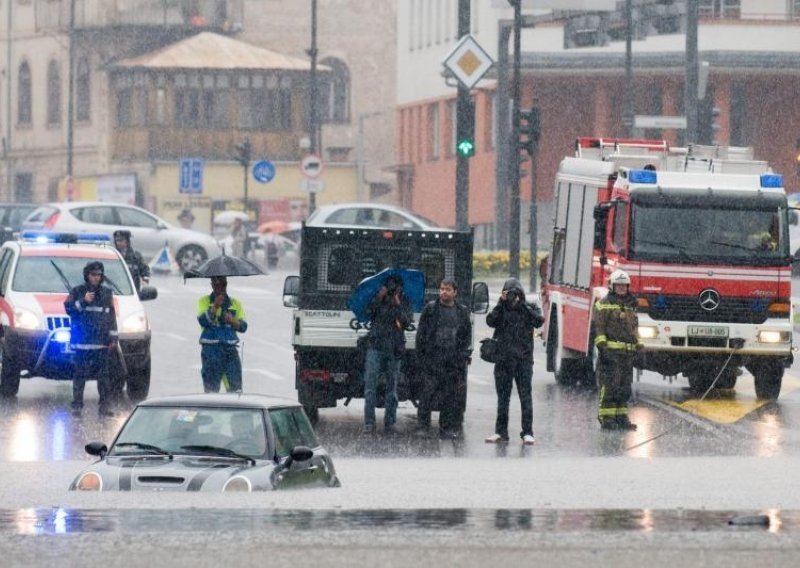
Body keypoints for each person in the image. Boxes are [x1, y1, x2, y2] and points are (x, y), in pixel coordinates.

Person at [485, 278, 544, 445]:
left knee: (525, 397)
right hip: (503, 359)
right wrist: (501, 303)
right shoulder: (501, 308)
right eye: (508, 293)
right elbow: (490, 321)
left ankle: (527, 432)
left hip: (523, 360)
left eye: (514, 293)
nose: (511, 296)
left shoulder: (527, 308)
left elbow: (539, 321)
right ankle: (500, 431)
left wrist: (522, 305)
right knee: (502, 398)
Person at [414, 279, 472, 439]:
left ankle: (445, 428)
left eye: (447, 289)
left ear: (455, 292)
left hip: (452, 361)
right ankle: (423, 425)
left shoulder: (461, 311)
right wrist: (422, 358)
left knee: (449, 396)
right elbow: (421, 335)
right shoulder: (431, 309)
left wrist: (460, 356)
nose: (443, 292)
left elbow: (466, 334)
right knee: (427, 394)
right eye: (441, 289)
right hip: (433, 359)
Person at [64, 261, 118, 417]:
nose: (96, 278)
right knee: (79, 376)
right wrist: (83, 301)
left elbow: (111, 317)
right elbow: (70, 310)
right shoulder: (77, 291)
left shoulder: (107, 293)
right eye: (93, 275)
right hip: (81, 343)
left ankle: (104, 406)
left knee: (104, 377)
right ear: (87, 275)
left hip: (100, 343)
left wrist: (114, 338)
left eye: (99, 275)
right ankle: (77, 405)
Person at [361, 274, 413, 435]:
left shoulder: (404, 301)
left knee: (392, 388)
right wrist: (379, 297)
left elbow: (406, 322)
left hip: (394, 347)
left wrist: (397, 304)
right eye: (389, 286)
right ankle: (369, 423)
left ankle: (390, 422)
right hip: (375, 345)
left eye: (395, 286)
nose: (392, 289)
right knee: (370, 387)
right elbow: (368, 313)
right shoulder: (378, 298)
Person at [593, 269, 642, 431]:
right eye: (618, 286)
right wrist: (603, 348)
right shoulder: (603, 304)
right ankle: (607, 418)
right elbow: (599, 329)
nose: (622, 289)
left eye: (624, 286)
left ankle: (621, 417)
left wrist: (639, 347)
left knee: (624, 387)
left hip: (626, 355)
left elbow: (634, 328)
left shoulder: (631, 306)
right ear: (612, 286)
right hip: (611, 354)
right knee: (610, 386)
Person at [197, 276, 248, 393]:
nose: (220, 288)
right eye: (216, 284)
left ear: (226, 284)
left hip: (230, 350)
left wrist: (233, 321)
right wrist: (215, 306)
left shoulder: (235, 303)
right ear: (212, 285)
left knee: (236, 391)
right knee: (211, 392)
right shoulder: (203, 301)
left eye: (223, 284)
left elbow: (244, 327)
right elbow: (203, 321)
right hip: (211, 350)